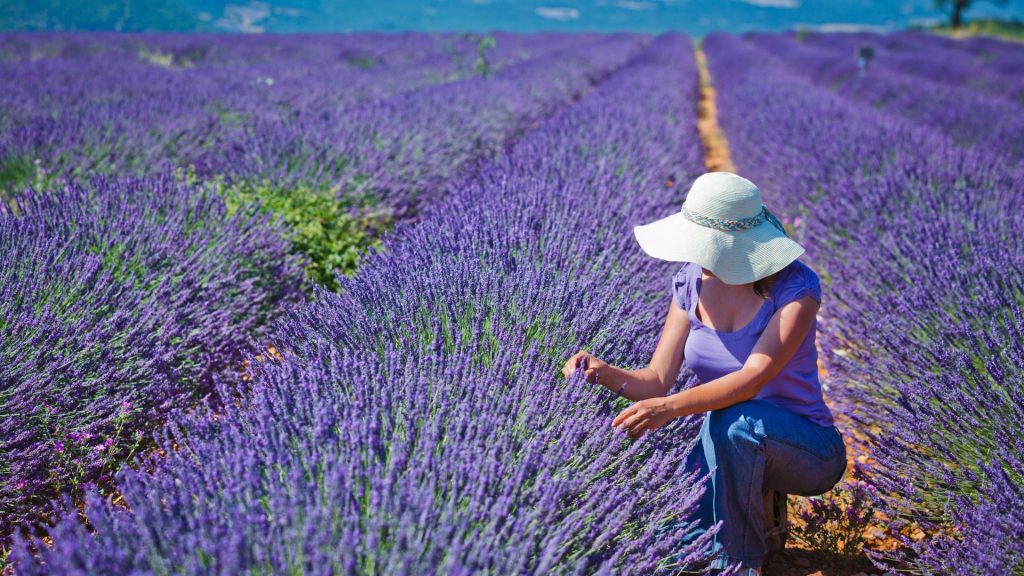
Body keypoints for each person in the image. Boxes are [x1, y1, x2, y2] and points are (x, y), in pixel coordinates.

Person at [561, 172, 846, 575]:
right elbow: (657, 379)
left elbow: (753, 378)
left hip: (810, 449)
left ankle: (738, 565)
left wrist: (671, 408)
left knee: (730, 421)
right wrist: (600, 371)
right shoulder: (690, 283)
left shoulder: (796, 289)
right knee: (707, 463)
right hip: (735, 438)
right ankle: (718, 531)